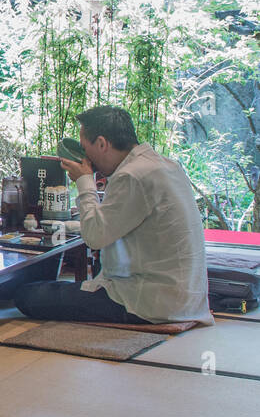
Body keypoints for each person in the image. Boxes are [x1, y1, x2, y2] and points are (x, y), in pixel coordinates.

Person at [14, 105, 213, 327]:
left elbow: (95, 237)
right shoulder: (166, 165)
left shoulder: (133, 176)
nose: (85, 156)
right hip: (186, 298)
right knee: (51, 288)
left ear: (101, 143)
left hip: (149, 301)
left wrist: (84, 181)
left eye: (84, 148)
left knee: (28, 296)